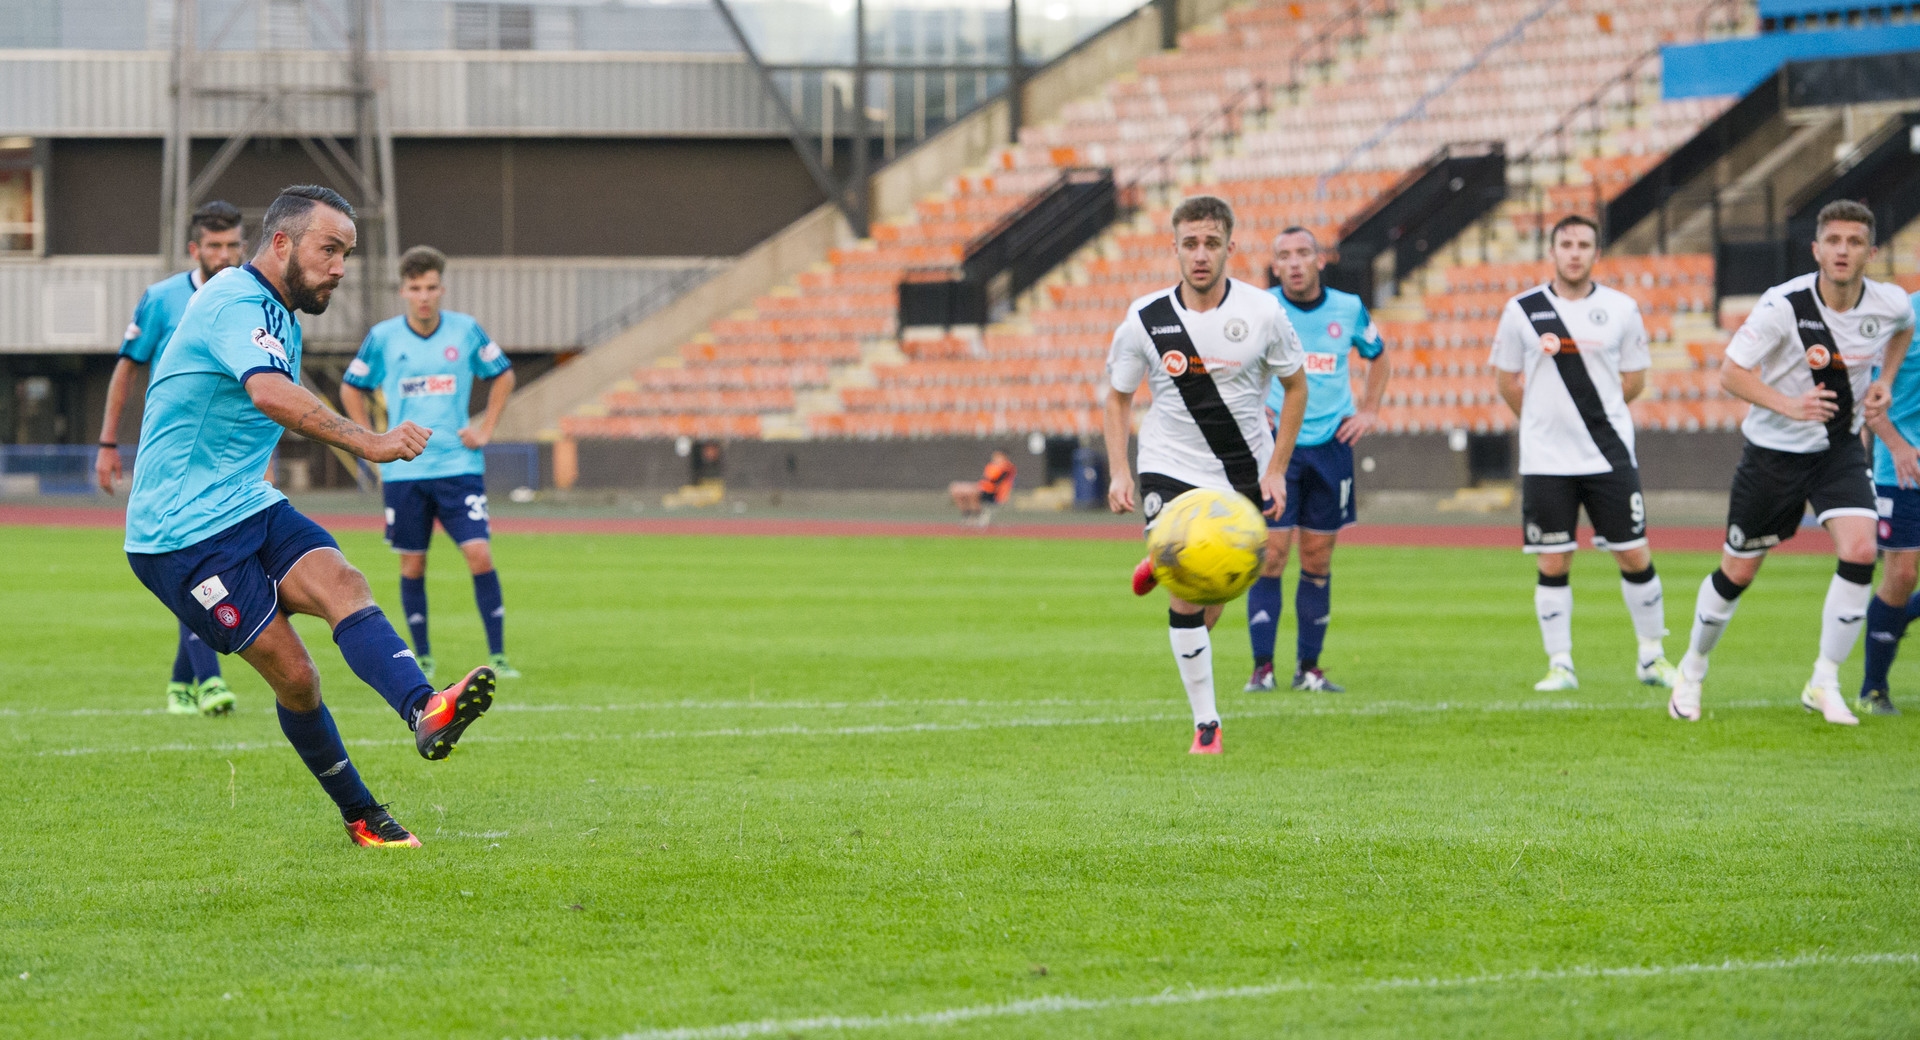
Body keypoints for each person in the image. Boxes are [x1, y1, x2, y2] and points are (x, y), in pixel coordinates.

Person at [123, 185, 496, 847]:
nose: (340, 267)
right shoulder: (236, 300)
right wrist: (371, 442)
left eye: (346, 253)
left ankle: (425, 709)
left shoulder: (279, 315)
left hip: (246, 504)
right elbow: (270, 395)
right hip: (179, 534)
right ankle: (363, 816)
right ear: (282, 243)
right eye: (330, 249)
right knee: (297, 677)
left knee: (345, 584)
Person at [1671, 200, 1915, 725]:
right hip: (1772, 455)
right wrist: (1790, 405)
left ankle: (1824, 680)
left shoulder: (1889, 302)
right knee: (1737, 572)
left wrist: (1884, 383)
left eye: (1854, 242)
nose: (1843, 250)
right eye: (1834, 241)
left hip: (1838, 450)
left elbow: (1903, 328)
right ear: (1817, 249)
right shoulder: (1784, 304)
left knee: (1861, 549)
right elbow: (1731, 374)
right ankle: (1691, 669)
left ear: (1870, 252)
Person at [1105, 195, 1308, 755]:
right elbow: (1118, 398)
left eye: (1211, 244)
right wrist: (1121, 472)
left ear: (1229, 248)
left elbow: (1296, 388)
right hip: (1168, 464)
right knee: (1188, 595)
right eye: (1190, 244)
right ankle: (1207, 724)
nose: (1200, 255)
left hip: (1240, 470)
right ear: (1174, 248)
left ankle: (1166, 562)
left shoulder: (1263, 312)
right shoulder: (1145, 317)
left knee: (1216, 592)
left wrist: (1277, 469)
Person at [1490, 215, 1675, 692]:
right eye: (1566, 244)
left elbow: (1634, 379)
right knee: (1553, 560)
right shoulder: (1522, 310)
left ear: (1597, 253)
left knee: (1634, 554)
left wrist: (1597, 415)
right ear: (1551, 252)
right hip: (1546, 459)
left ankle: (1652, 656)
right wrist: (1541, 420)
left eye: (1584, 244)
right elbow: (1507, 379)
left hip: (1608, 454)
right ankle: (1560, 664)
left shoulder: (1621, 308)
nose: (1574, 252)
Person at [340, 246, 519, 681]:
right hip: (406, 469)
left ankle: (498, 656)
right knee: (412, 564)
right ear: (403, 290)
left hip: (459, 465)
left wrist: (486, 428)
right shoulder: (383, 337)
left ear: (443, 288)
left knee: (479, 555)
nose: (424, 296)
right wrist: (371, 443)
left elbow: (503, 374)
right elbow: (351, 388)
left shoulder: (465, 331)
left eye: (431, 287)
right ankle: (422, 656)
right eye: (415, 288)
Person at [96, 200, 247, 717]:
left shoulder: (254, 299)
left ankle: (182, 683)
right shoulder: (162, 300)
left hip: (229, 457)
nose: (224, 255)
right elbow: (126, 370)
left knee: (217, 559)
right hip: (173, 457)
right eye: (214, 246)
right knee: (192, 557)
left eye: (232, 245)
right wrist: (107, 444)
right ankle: (209, 682)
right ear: (194, 248)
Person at [1244, 226, 1389, 694]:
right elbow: (1235, 362)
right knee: (1270, 555)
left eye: (1303, 253)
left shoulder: (1347, 308)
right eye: (1284, 255)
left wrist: (1368, 410)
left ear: (1320, 259)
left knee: (1317, 556)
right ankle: (1261, 669)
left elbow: (1378, 356)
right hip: (1274, 450)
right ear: (1275, 264)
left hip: (1330, 446)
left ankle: (1309, 668)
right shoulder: (1260, 307)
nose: (1294, 262)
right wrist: (1252, 406)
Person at [1859, 275, 1920, 716]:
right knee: (1901, 576)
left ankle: (1894, 623)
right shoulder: (1905, 316)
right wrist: (1897, 445)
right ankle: (1873, 688)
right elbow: (1869, 394)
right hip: (1903, 467)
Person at [949, 450, 1015, 524]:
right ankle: (967, 515)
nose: (995, 458)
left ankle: (977, 515)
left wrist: (979, 487)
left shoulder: (1007, 468)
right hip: (985, 489)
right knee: (956, 488)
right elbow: (985, 480)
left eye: (998, 456)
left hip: (994, 494)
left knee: (972, 492)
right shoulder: (991, 466)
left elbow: (995, 482)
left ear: (1004, 457)